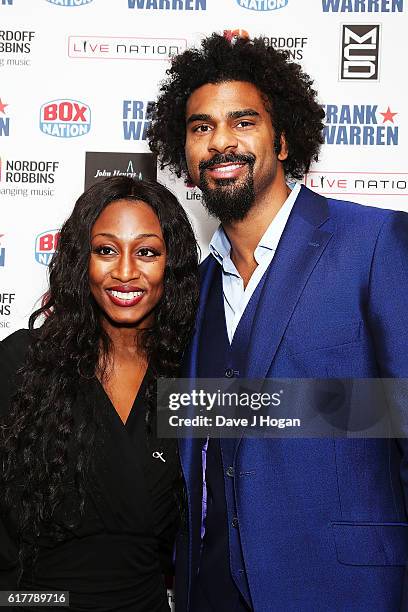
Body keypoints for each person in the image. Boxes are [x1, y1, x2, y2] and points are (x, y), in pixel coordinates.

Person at [148, 34, 408, 612]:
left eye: (243, 121)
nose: (221, 142)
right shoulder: (190, 286)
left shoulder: (374, 244)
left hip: (346, 591)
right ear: (185, 154)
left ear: (283, 137)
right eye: (200, 127)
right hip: (208, 591)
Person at [0, 176, 199, 611]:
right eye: (106, 250)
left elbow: (325, 415)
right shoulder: (20, 363)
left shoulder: (189, 377)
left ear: (173, 263)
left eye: (146, 251)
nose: (125, 272)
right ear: (80, 262)